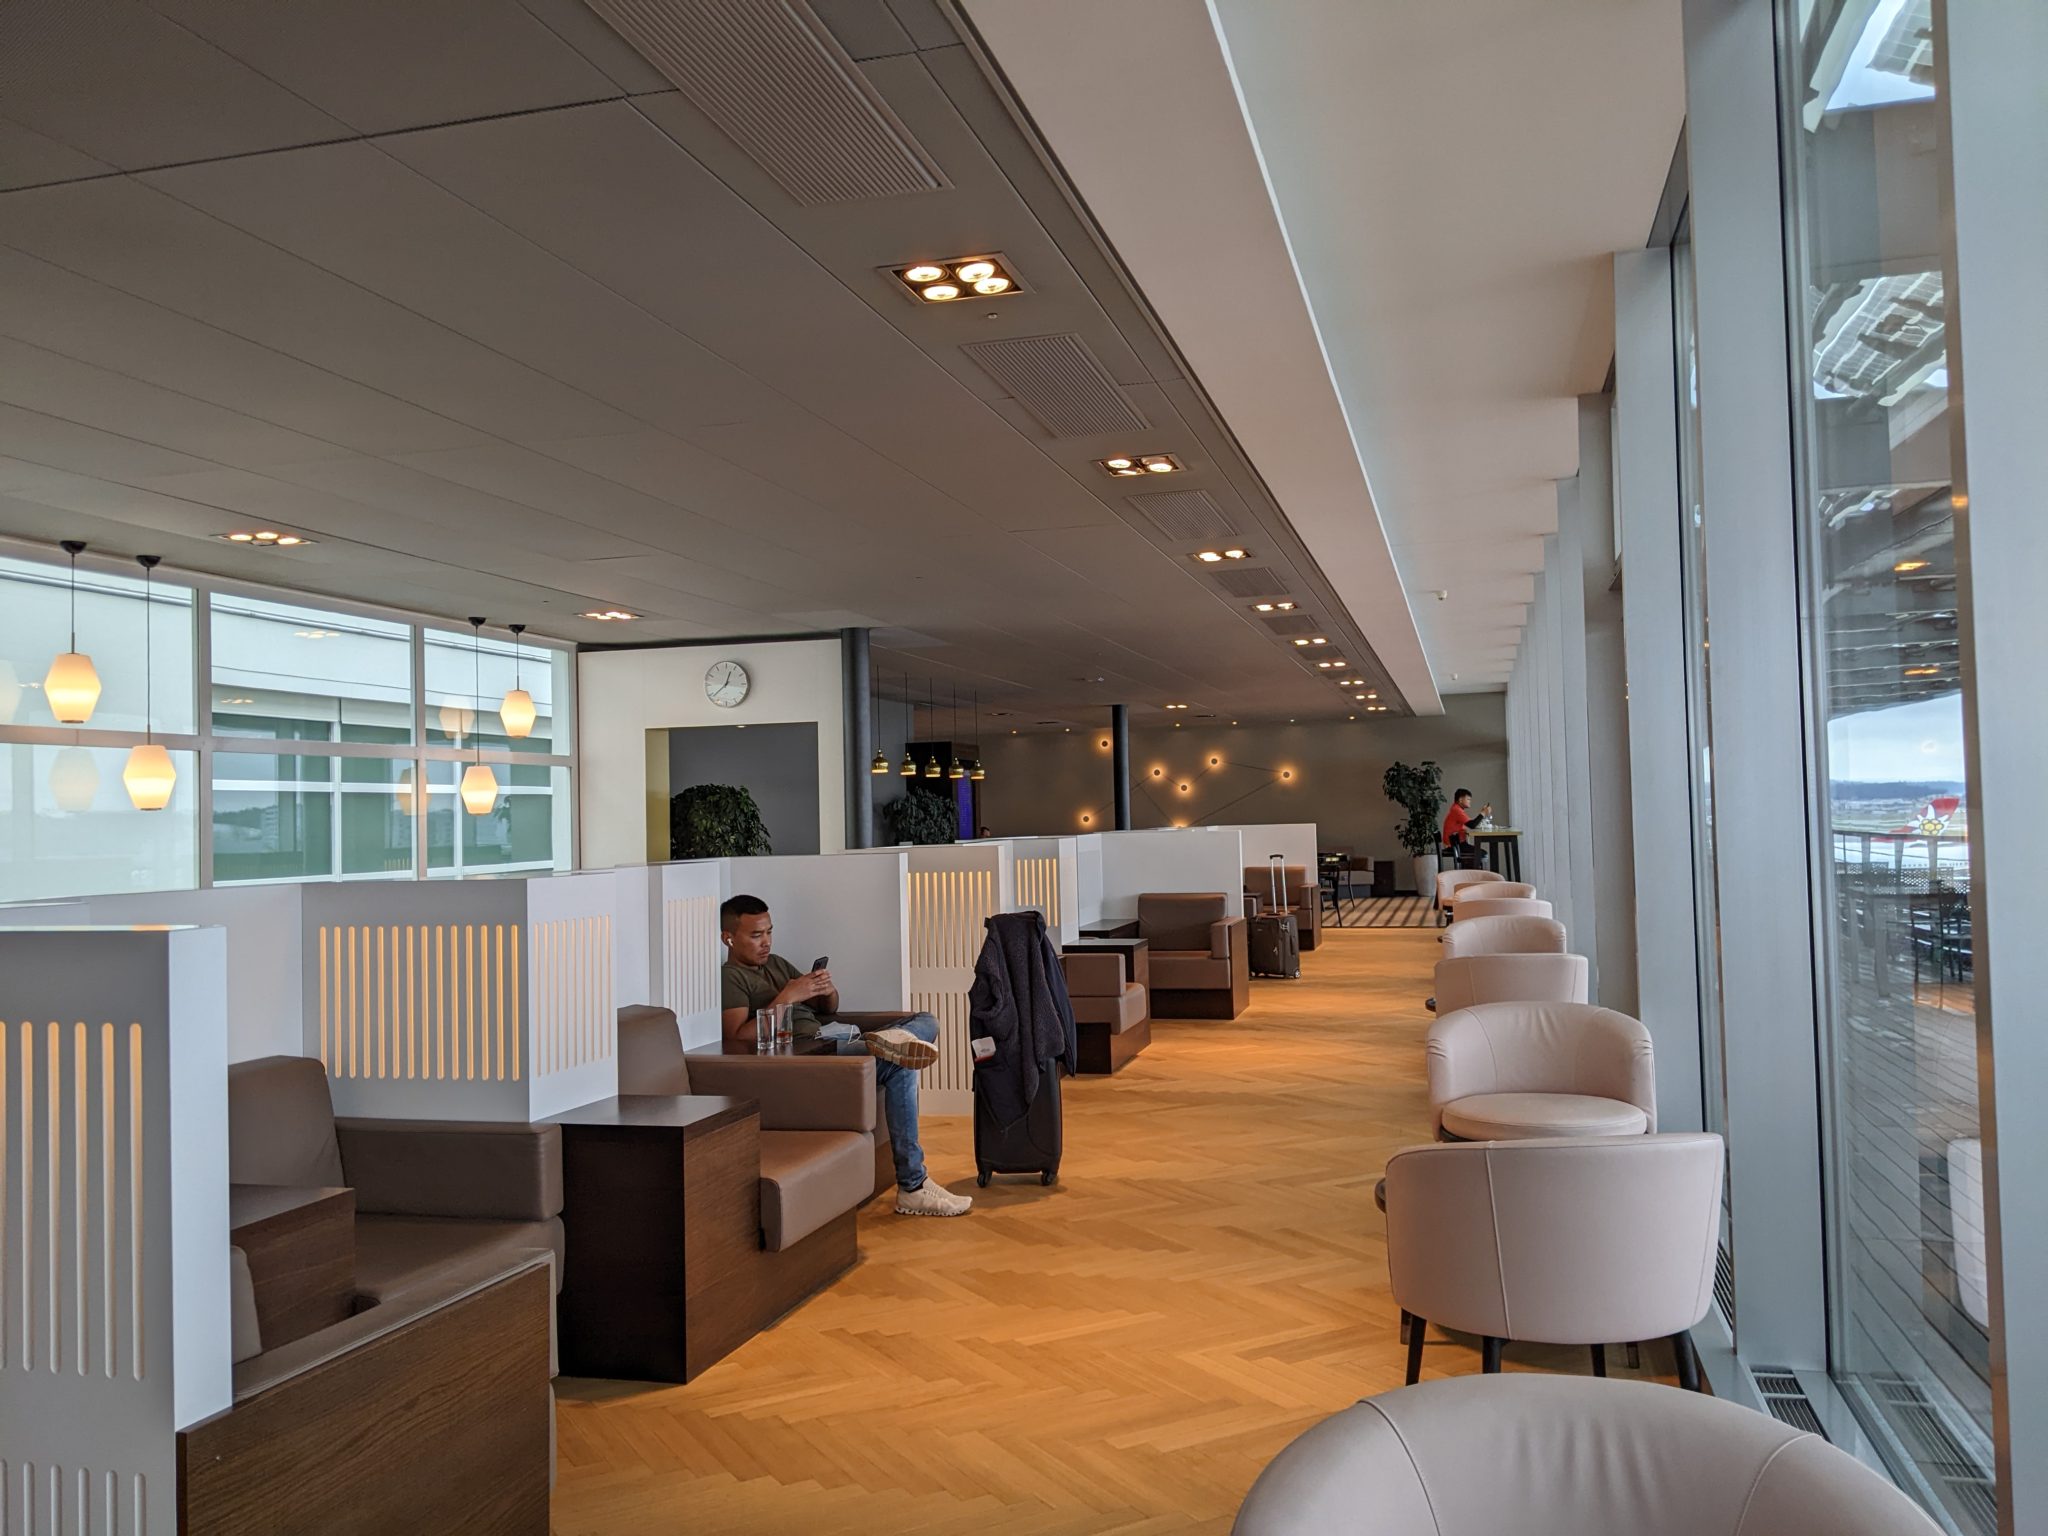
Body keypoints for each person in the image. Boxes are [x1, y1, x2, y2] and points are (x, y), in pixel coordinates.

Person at [718, 894, 972, 1217]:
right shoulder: (730, 977)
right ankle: (913, 1186)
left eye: (769, 932)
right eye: (756, 935)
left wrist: (825, 990)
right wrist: (788, 996)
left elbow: (829, 1008)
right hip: (813, 1054)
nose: (766, 942)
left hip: (834, 1035)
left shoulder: (777, 963)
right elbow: (736, 1036)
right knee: (902, 1060)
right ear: (728, 938)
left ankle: (892, 1042)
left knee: (927, 1021)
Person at [1442, 788, 1492, 867]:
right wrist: (1483, 813)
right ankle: (1471, 873)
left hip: (1456, 843)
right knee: (1481, 853)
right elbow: (1472, 825)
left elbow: (1471, 823)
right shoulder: (1456, 810)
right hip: (1455, 845)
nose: (1470, 801)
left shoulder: (1456, 809)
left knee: (1480, 852)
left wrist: (1482, 813)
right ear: (1461, 800)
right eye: (1468, 799)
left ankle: (1470, 872)